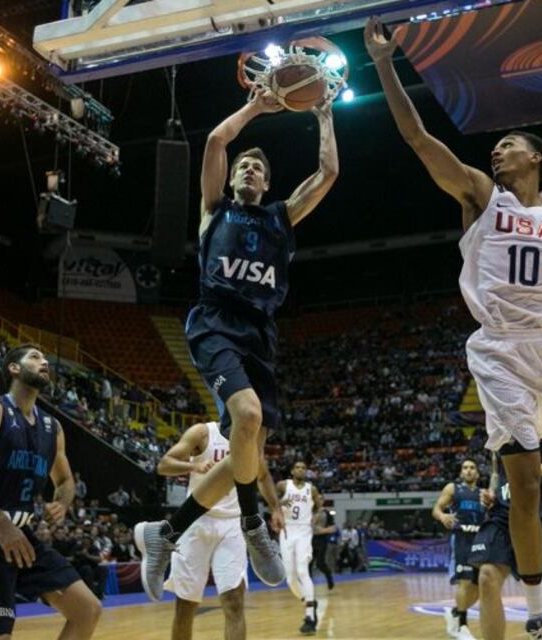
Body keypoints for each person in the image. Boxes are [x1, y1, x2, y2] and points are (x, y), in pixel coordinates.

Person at [364, 17, 542, 639]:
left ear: (536, 158)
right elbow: (417, 138)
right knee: (520, 480)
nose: (498, 151)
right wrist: (385, 63)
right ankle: (539, 615)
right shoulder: (478, 196)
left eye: (510, 146)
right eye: (497, 149)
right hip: (497, 349)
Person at [135, 89, 339, 600]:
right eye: (243, 165)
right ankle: (253, 524)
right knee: (246, 417)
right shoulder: (214, 210)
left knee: (243, 454)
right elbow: (217, 140)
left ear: (268, 183)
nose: (248, 169)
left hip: (261, 333)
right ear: (231, 177)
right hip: (215, 322)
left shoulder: (280, 218)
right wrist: (256, 108)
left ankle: (165, 531)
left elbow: (328, 173)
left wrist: (325, 113)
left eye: (256, 168)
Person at [0, 343, 102, 638]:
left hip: (23, 538)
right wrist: (1, 523)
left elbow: (66, 481)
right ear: (14, 369)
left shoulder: (51, 426)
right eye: (35, 357)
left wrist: (62, 502)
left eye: (45, 358)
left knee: (87, 610)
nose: (44, 362)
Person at [157, 420, 281, 640]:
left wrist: (276, 509)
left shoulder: (250, 437)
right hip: (196, 523)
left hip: (232, 525)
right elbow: (164, 464)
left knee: (234, 601)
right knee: (186, 605)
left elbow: (262, 475)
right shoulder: (203, 432)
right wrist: (192, 466)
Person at [470, 443, 542, 640]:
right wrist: (492, 491)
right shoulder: (498, 420)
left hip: (540, 511)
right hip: (503, 511)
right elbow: (497, 471)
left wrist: (531, 470)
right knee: (487, 576)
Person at [432, 460, 486, 640]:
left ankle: (455, 612)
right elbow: (436, 508)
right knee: (465, 582)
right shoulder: (453, 489)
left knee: (479, 589)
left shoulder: (483, 493)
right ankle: (463, 625)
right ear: (461, 473)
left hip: (479, 539)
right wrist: (443, 516)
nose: (469, 471)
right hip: (462, 538)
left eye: (472, 467)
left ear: (477, 473)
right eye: (465, 468)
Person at [277, 461, 325, 634]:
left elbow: (320, 507)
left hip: (304, 531)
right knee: (290, 579)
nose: (301, 470)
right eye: (297, 467)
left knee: (302, 571)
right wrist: (281, 504)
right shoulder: (283, 485)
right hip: (287, 531)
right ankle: (309, 601)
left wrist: (315, 518)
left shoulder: (311, 489)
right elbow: (271, 504)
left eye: (304, 468)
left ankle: (310, 617)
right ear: (292, 470)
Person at [311, 509, 336, 591]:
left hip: (322, 539)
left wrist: (322, 530)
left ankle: (329, 578)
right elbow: (310, 526)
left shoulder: (326, 513)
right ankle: (308, 585)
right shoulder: (309, 510)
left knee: (320, 563)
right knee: (308, 563)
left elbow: (333, 528)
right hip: (310, 539)